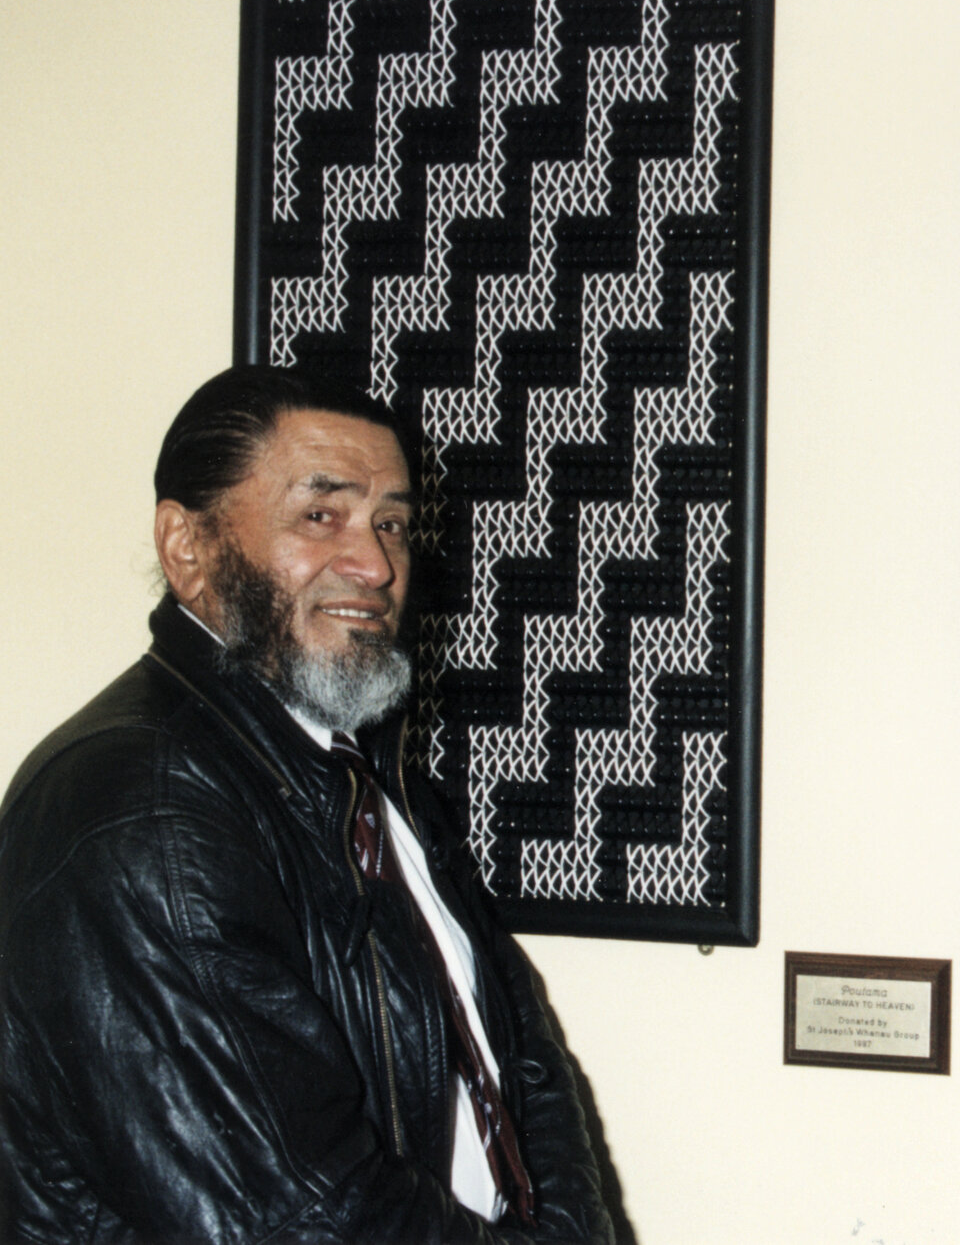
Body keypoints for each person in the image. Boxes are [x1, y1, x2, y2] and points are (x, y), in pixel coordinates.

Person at [0, 367, 611, 1241]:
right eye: (320, 516)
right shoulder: (145, 806)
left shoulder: (362, 765)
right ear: (188, 547)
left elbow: (524, 1065)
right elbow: (298, 1217)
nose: (375, 565)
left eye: (391, 523)